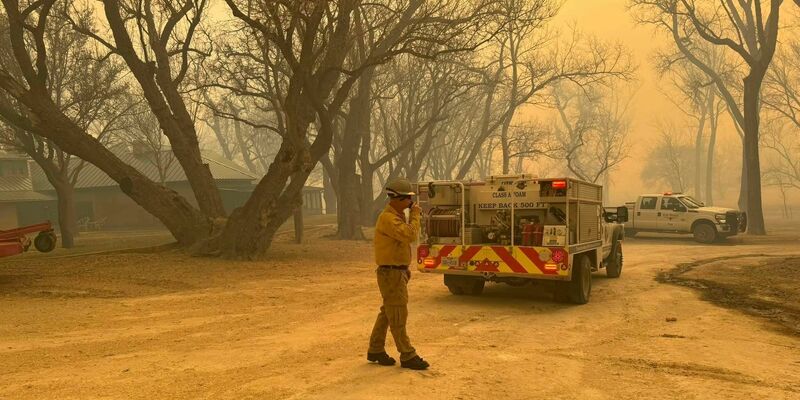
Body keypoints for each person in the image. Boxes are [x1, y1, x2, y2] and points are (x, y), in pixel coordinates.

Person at [366, 177, 430, 370]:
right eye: (407, 199)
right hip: (391, 273)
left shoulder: (396, 216)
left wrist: (404, 269)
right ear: (396, 198)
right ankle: (407, 354)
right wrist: (416, 215)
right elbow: (410, 235)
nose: (410, 203)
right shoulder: (389, 218)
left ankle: (375, 349)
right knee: (398, 315)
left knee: (388, 312)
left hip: (396, 272)